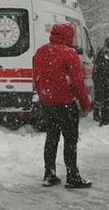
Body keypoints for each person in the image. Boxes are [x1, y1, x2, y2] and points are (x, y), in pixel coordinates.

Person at [33, 22, 93, 189]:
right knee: (70, 140)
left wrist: (43, 95)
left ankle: (49, 173)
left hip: (47, 104)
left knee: (51, 138)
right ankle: (72, 175)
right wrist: (85, 104)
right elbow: (77, 82)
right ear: (68, 36)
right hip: (65, 104)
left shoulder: (41, 51)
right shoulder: (69, 53)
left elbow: (36, 77)